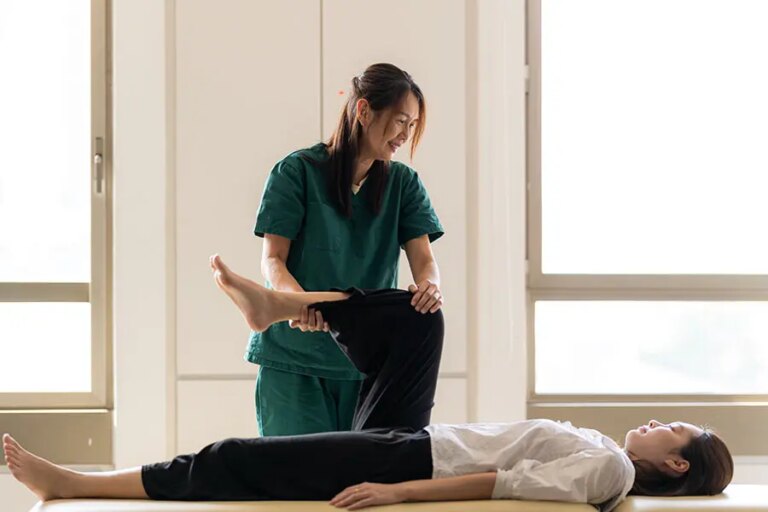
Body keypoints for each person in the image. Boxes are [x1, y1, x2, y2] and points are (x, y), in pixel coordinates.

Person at [2, 257, 733, 512]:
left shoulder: (609, 470)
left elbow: (499, 482)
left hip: (411, 459)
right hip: (417, 438)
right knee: (421, 319)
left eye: (674, 429)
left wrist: (398, 491)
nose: (659, 421)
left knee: (234, 458)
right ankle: (284, 307)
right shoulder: (605, 455)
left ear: (676, 464)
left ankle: (76, 484)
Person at [249, 62, 444, 436]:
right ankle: (274, 305)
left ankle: (267, 304)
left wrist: (430, 286)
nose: (406, 135)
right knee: (296, 472)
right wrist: (298, 304)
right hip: (294, 358)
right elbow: (273, 260)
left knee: (362, 471)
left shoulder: (403, 184)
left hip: (364, 363)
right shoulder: (296, 172)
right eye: (401, 121)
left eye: (413, 125)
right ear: (364, 110)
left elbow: (424, 260)